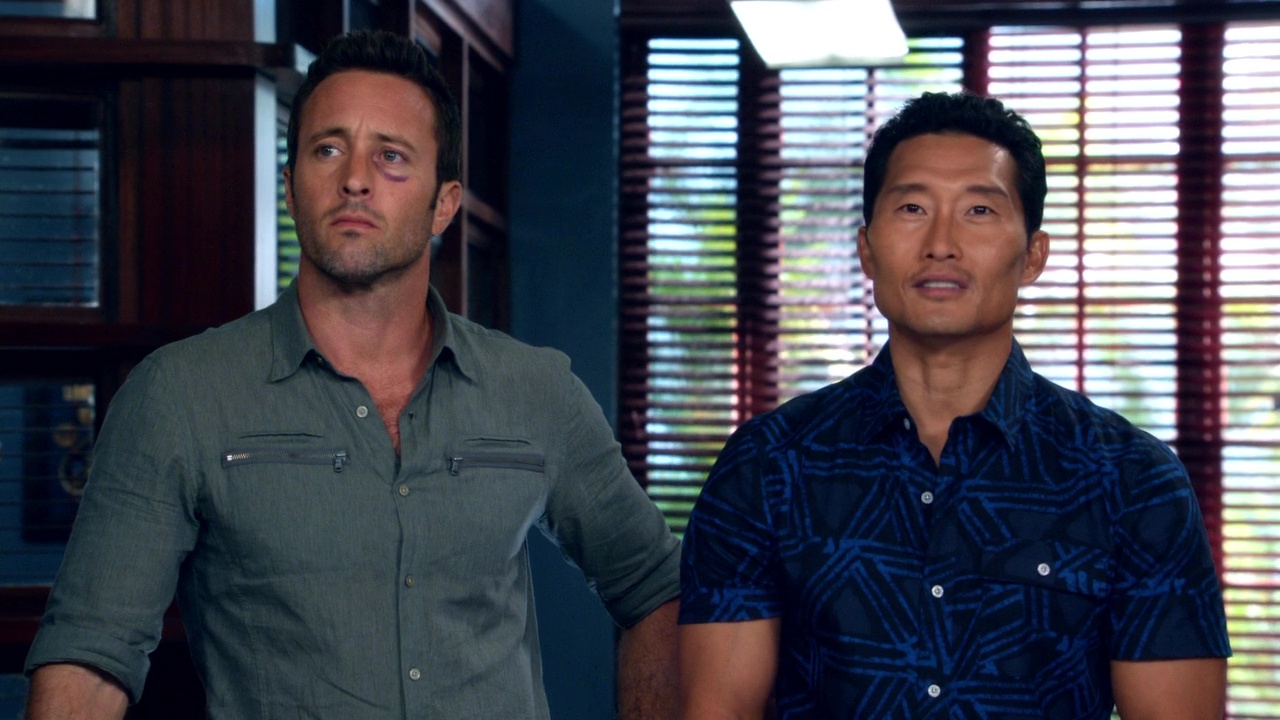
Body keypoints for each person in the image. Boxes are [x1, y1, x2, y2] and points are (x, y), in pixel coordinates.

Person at [24, 29, 680, 720]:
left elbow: (657, 589)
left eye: (391, 156)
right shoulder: (179, 396)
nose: (355, 179)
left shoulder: (537, 392)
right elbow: (88, 657)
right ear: (291, 188)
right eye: (328, 150)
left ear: (444, 203)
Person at [676, 91, 1231, 719]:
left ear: (1033, 256)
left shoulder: (1131, 479)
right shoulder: (770, 465)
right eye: (912, 208)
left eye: (979, 210)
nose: (941, 243)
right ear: (867, 248)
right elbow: (718, 709)